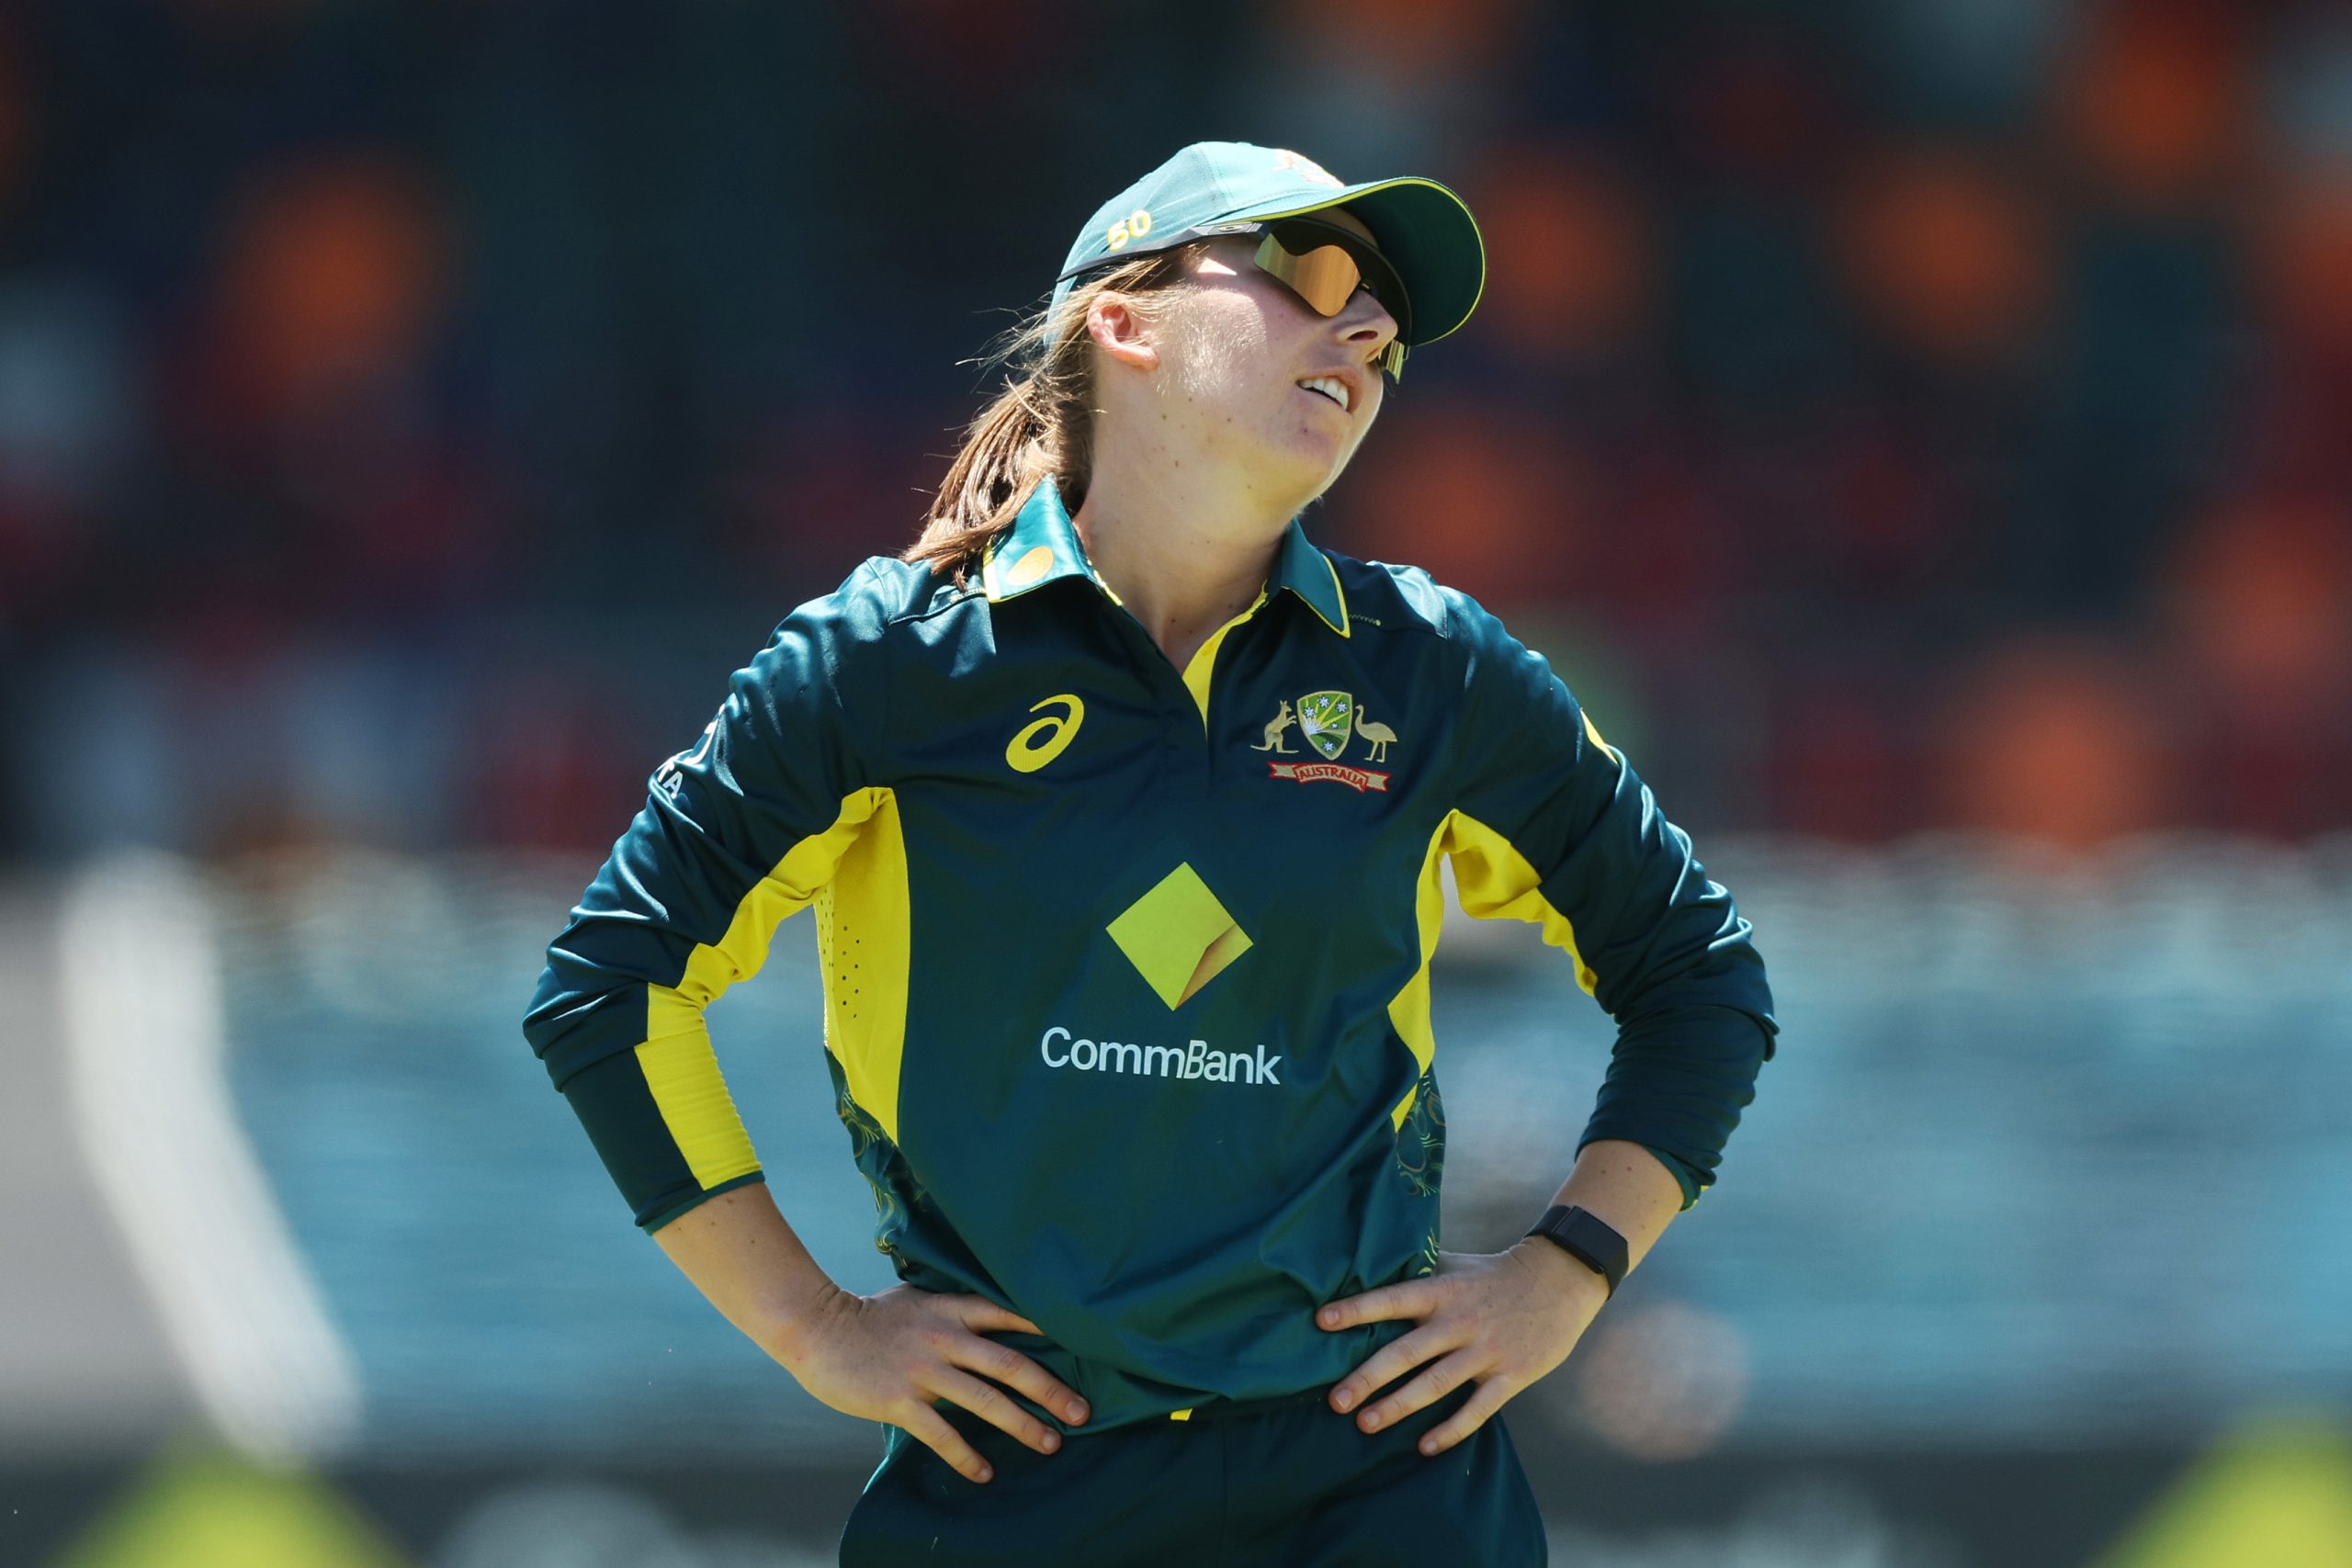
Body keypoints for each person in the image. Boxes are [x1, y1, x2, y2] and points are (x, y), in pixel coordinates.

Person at [523, 140, 1779, 1567]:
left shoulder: (1436, 674)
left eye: (1384, 318)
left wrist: (1564, 1272)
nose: (1364, 328)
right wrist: (815, 1329)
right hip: (1012, 1490)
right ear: (1121, 320)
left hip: (1387, 1492)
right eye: (1308, 272)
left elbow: (1701, 975)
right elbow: (609, 990)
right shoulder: (885, 666)